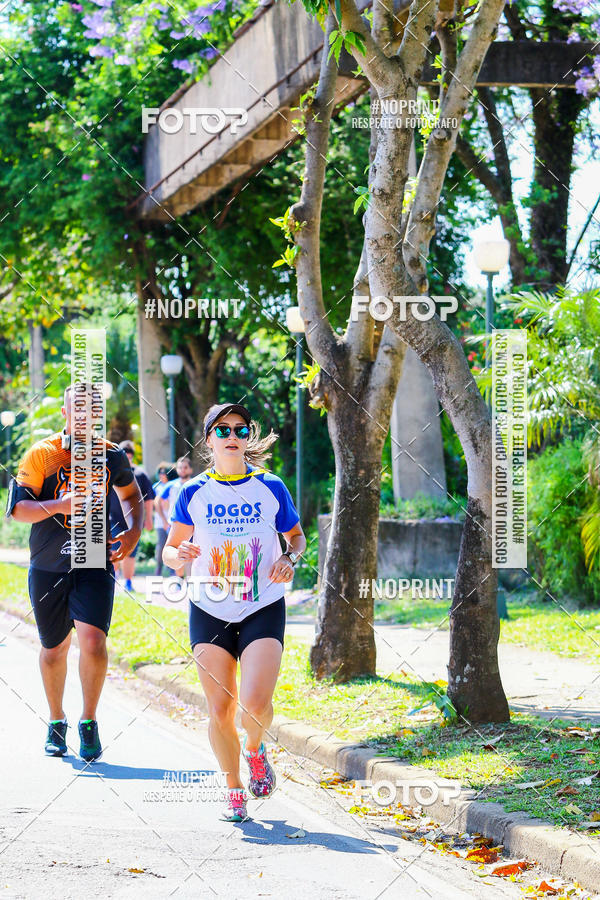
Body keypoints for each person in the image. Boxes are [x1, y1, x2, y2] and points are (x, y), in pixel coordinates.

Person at [163, 403, 305, 822]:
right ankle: (233, 790)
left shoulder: (270, 486)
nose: (232, 436)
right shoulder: (192, 492)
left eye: (240, 429)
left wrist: (289, 558)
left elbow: (296, 537)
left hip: (262, 603)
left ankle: (255, 750)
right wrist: (178, 555)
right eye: (222, 429)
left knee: (255, 705)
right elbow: (170, 550)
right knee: (220, 710)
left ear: (247, 438)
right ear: (209, 439)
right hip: (208, 607)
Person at [8, 383, 144, 761]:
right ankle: (56, 720)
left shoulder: (111, 455)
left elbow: (132, 496)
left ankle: (88, 721)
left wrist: (133, 532)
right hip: (48, 565)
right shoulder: (42, 453)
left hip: (94, 561)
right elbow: (18, 510)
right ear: (66, 412)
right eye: (77, 408)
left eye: (91, 409)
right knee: (54, 650)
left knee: (93, 642)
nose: (84, 415)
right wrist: (59, 505)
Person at [109, 440, 154, 592]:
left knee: (130, 553)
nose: (126, 460)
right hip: (113, 519)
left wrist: (148, 519)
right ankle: (114, 579)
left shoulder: (140, 474)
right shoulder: (110, 471)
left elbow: (148, 499)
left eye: (129, 457)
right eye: (124, 457)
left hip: (134, 520)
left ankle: (128, 582)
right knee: (113, 550)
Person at [159, 455, 193, 579]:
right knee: (178, 552)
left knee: (192, 554)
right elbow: (158, 501)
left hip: (193, 525)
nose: (182, 470)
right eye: (180, 467)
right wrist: (164, 520)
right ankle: (179, 579)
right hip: (175, 524)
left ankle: (190, 581)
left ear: (190, 469)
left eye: (185, 467)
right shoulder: (171, 485)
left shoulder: (195, 484)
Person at [152, 461, 175, 577]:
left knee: (173, 547)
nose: (161, 475)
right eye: (160, 473)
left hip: (172, 522)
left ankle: (173, 572)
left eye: (164, 473)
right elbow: (154, 504)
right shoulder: (156, 487)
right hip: (160, 523)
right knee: (161, 546)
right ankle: (158, 572)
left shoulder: (173, 485)